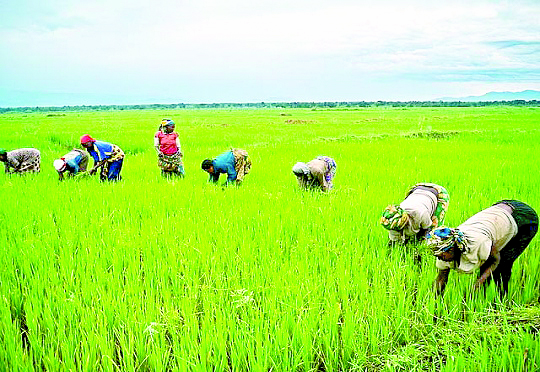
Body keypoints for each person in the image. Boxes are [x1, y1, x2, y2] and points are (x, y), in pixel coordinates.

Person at [426, 200, 538, 295]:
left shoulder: (477, 242)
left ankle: (501, 300)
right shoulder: (442, 249)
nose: (439, 258)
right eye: (437, 255)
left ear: (452, 248)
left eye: (441, 255)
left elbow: (495, 259)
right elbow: (441, 278)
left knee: (502, 265)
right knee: (486, 267)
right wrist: (434, 299)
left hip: (522, 218)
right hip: (499, 209)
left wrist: (477, 285)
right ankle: (482, 297)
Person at [381, 183, 450, 245]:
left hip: (438, 193)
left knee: (433, 233)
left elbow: (427, 230)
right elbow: (393, 239)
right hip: (416, 190)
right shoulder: (395, 217)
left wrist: (419, 245)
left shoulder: (420, 213)